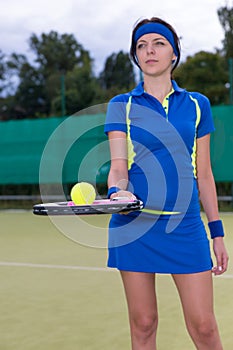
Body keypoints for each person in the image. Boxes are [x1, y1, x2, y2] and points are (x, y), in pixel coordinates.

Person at [104, 17, 229, 350]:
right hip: (134, 228)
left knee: (204, 326)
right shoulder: (122, 105)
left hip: (185, 226)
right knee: (143, 324)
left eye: (158, 43)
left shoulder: (198, 105)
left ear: (174, 53)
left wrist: (216, 233)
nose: (149, 51)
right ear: (136, 55)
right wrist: (118, 191)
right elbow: (118, 167)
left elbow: (204, 174)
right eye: (141, 46)